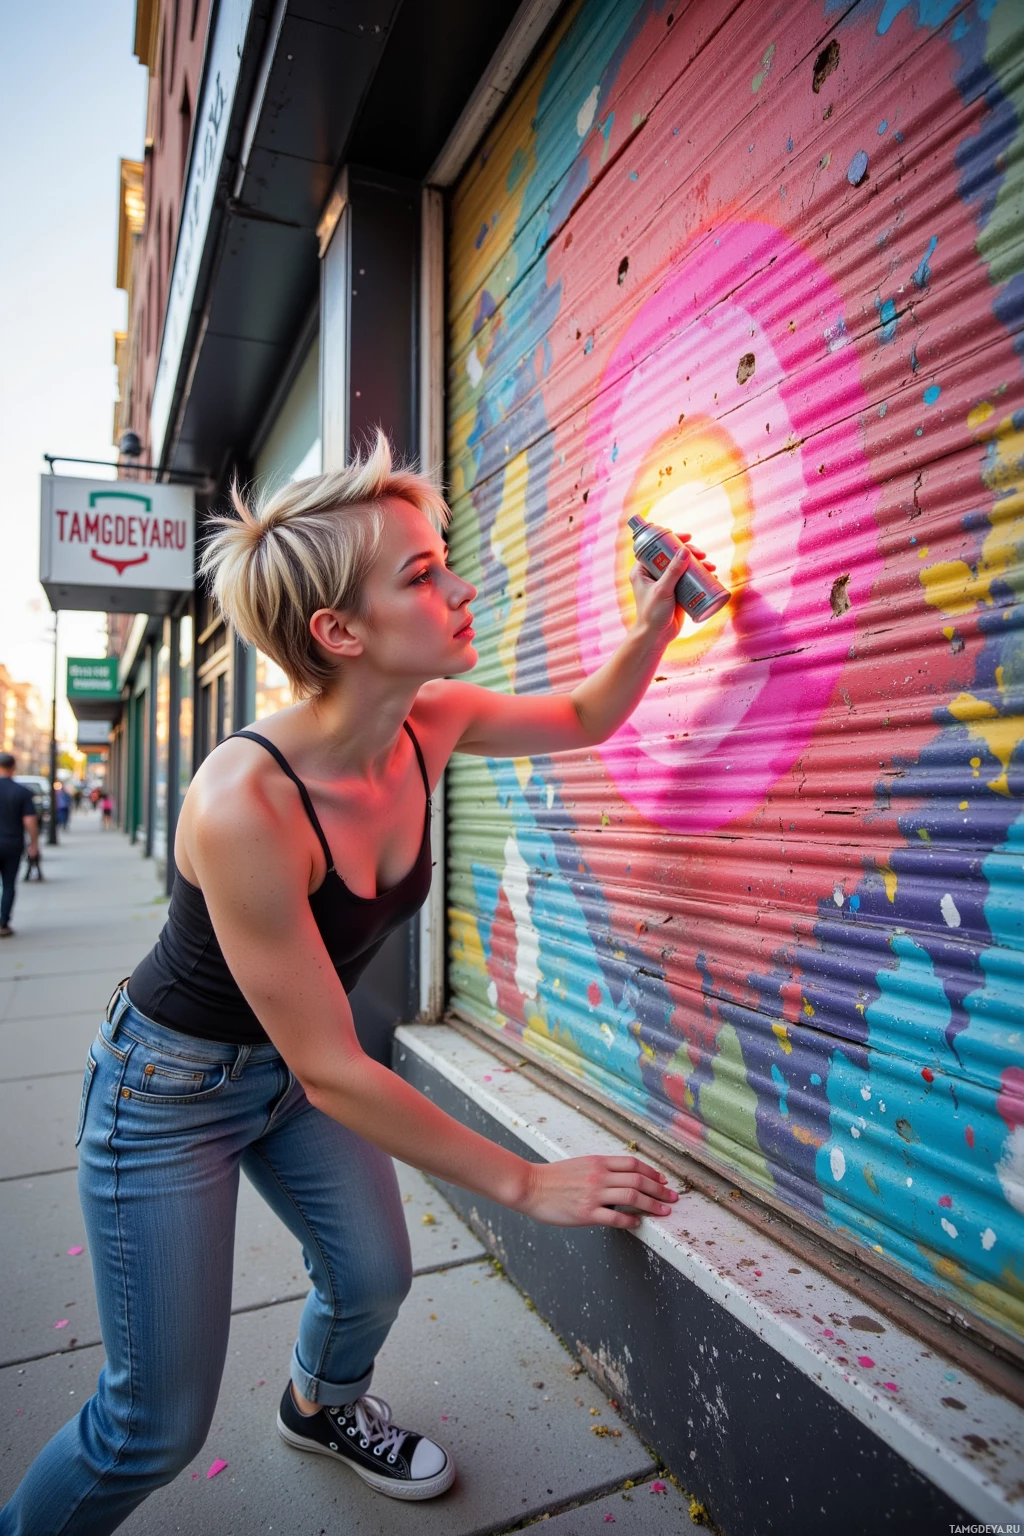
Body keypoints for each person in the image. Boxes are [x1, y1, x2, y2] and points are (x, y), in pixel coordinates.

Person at [0, 433, 700, 1535]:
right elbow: (337, 1067)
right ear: (339, 630)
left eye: (442, 560)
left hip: (289, 1072)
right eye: (420, 575)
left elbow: (581, 718)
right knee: (151, 1429)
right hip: (166, 1097)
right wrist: (526, 1184)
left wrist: (655, 622)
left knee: (373, 1275)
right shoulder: (247, 803)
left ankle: (319, 1406)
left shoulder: (434, 723)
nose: (461, 588)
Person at [0, 754, 40, 938]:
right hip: (11, 844)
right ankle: (3, 923)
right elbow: (30, 821)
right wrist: (34, 844)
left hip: (11, 843)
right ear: (13, 767)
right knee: (9, 884)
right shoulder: (21, 792)